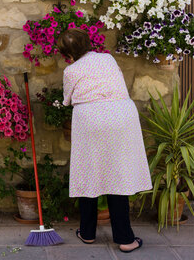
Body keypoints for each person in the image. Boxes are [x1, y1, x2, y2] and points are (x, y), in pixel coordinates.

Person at [58, 28, 152, 253]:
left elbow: (67, 100)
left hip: (91, 119)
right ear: (87, 43)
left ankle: (88, 233)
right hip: (121, 115)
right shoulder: (107, 58)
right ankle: (125, 238)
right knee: (116, 174)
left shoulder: (71, 70)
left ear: (67, 54)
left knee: (88, 170)